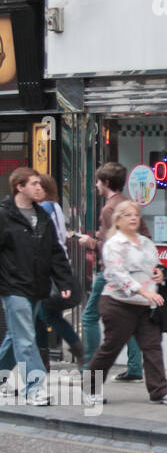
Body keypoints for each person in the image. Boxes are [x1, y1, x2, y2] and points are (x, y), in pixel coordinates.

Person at [83, 201, 167, 405]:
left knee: (152, 346)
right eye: (127, 215)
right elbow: (118, 274)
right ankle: (90, 388)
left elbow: (154, 266)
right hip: (119, 303)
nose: (133, 218)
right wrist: (143, 290)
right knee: (111, 346)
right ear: (118, 220)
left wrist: (160, 274)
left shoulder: (146, 243)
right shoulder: (114, 244)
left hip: (145, 305)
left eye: (136, 214)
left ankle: (159, 391)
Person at [0, 168, 74, 405]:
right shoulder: (4, 215)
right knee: (26, 337)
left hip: (36, 286)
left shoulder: (42, 217)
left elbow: (55, 252)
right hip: (12, 286)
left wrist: (64, 281)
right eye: (34, 184)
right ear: (19, 187)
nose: (39, 187)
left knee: (16, 336)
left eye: (40, 184)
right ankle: (34, 388)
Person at [74, 162, 144, 383]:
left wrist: (91, 242)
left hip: (112, 272)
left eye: (97, 181)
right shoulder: (128, 204)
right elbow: (143, 236)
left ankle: (89, 368)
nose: (95, 185)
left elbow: (109, 246)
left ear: (105, 183)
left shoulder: (108, 209)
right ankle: (134, 367)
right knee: (130, 317)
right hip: (133, 270)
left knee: (89, 316)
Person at [35, 173, 85, 365]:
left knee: (45, 314)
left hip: (49, 270)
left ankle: (73, 350)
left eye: (38, 186)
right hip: (57, 266)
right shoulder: (55, 206)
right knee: (43, 314)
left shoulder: (45, 207)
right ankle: (46, 357)